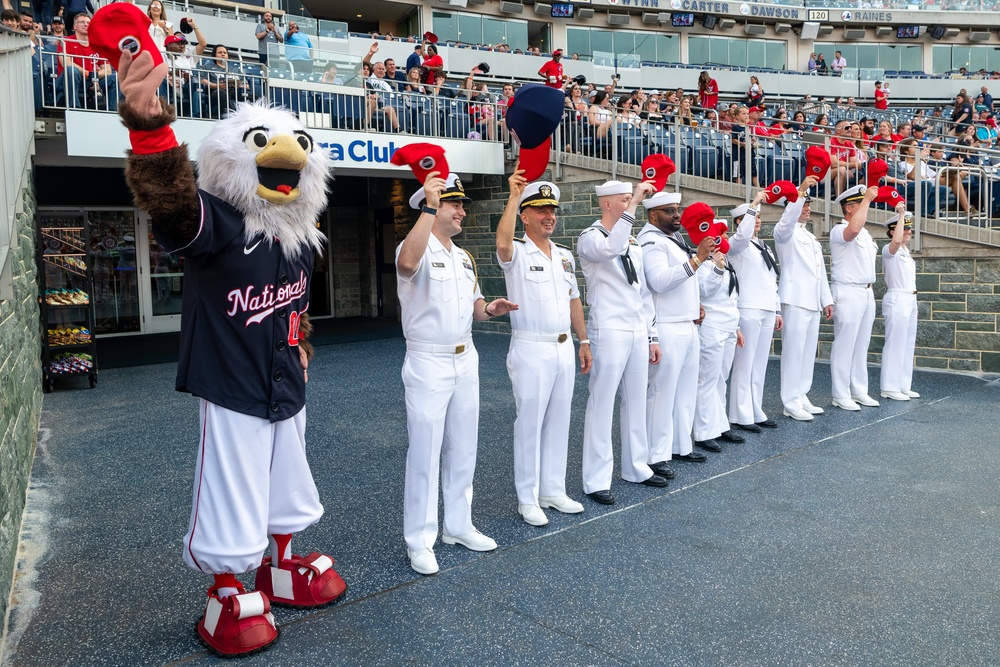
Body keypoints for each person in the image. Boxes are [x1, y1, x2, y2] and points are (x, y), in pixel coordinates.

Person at [396, 171, 516, 575]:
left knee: (464, 448)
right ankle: (420, 539)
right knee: (425, 454)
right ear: (431, 206)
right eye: (455, 204)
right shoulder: (415, 245)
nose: (462, 211)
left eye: (460, 204)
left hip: (467, 358)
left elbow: (476, 306)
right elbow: (407, 264)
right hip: (428, 360)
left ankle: (458, 525)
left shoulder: (462, 256)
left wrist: (491, 309)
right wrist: (429, 207)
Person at [496, 172, 590, 527]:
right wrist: (513, 196)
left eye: (552, 209)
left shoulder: (564, 255)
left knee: (559, 421)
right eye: (540, 210)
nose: (549, 215)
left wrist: (584, 340)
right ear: (525, 216)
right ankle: (527, 497)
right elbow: (502, 245)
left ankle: (553, 489)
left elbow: (574, 299)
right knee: (530, 424)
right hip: (531, 349)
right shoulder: (517, 252)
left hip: (564, 347)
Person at [578, 180, 666, 506]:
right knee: (602, 403)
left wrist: (651, 335)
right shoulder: (590, 238)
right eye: (626, 200)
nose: (633, 204)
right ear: (608, 204)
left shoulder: (630, 240)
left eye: (633, 199)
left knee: (636, 401)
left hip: (635, 330)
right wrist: (635, 205)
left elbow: (642, 292)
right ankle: (596, 479)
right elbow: (610, 249)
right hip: (609, 329)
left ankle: (636, 466)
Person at [639, 192, 716, 477]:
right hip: (667, 326)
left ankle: (680, 445)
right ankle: (655, 454)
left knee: (685, 390)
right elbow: (658, 282)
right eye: (669, 211)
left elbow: (683, 281)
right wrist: (697, 260)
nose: (676, 215)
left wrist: (695, 303)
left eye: (677, 210)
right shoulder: (651, 242)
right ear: (652, 215)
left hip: (687, 322)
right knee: (662, 393)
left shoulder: (673, 239)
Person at [772, 177, 832, 420]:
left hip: (812, 300)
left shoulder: (810, 237)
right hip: (795, 298)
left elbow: (820, 271)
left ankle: (801, 393)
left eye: (808, 204)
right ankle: (790, 401)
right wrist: (801, 190)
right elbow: (786, 222)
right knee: (793, 353)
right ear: (790, 207)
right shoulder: (784, 232)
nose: (807, 208)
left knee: (808, 352)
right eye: (802, 204)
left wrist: (826, 299)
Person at [727, 193, 782, 433]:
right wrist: (753, 205)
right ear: (739, 221)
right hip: (748, 308)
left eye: (759, 216)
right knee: (744, 363)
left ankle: (755, 408)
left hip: (767, 307)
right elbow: (740, 238)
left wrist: (777, 308)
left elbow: (772, 280)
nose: (757, 219)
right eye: (751, 217)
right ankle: (740, 413)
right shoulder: (736, 245)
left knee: (759, 364)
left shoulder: (762, 245)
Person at [828, 184, 886, 411]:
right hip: (848, 290)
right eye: (861, 205)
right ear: (850, 208)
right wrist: (868, 200)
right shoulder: (839, 230)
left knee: (861, 344)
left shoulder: (866, 233)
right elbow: (851, 232)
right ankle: (840, 394)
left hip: (866, 291)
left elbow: (858, 229)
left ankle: (859, 390)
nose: (866, 208)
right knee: (845, 344)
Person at [692, 217, 744, 453]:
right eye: (718, 236)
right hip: (711, 327)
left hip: (728, 327)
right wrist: (715, 266)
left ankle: (720, 425)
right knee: (707, 380)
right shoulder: (703, 262)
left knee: (721, 378)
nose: (722, 239)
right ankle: (704, 432)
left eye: (723, 235)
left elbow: (732, 298)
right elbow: (705, 292)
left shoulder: (726, 261)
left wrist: (736, 327)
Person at [879, 211, 919, 402]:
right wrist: (901, 214)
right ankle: (889, 386)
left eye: (909, 228)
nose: (908, 231)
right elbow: (895, 243)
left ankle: (903, 385)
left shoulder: (905, 251)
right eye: (904, 228)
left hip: (910, 298)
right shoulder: (889, 249)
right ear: (892, 231)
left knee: (907, 343)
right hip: (897, 297)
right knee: (895, 343)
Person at [57, 13, 118, 110]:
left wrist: (94, 77)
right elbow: (66, 63)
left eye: (88, 23)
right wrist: (88, 74)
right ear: (74, 26)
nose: (86, 24)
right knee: (72, 70)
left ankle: (113, 112)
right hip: (70, 78)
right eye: (82, 22)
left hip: (91, 79)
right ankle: (74, 108)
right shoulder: (65, 41)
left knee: (115, 77)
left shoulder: (98, 44)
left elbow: (108, 70)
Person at [200, 44, 250, 117]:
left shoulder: (236, 69)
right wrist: (216, 86)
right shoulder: (207, 67)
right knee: (222, 93)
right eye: (220, 53)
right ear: (214, 55)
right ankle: (226, 117)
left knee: (252, 96)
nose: (223, 54)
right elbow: (203, 80)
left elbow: (247, 86)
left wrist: (238, 85)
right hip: (216, 91)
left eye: (225, 53)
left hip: (234, 91)